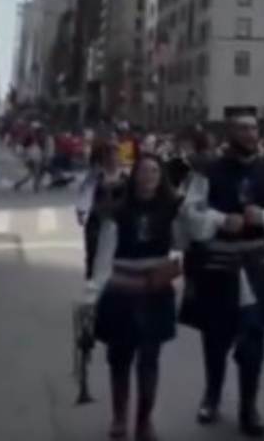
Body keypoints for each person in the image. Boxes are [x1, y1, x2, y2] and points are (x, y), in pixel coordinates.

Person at [179, 114, 264, 437]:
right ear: (230, 132)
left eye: (253, 127)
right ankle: (212, 395)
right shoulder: (207, 169)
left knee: (253, 340)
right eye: (242, 128)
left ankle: (249, 407)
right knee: (215, 338)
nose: (249, 133)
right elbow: (190, 210)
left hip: (256, 265)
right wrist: (218, 220)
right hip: (218, 264)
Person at [89, 155, 184, 441]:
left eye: (155, 170)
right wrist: (92, 294)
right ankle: (119, 417)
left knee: (150, 358)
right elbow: (104, 256)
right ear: (135, 176)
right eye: (144, 170)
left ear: (161, 176)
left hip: (155, 292)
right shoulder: (119, 211)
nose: (150, 175)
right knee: (120, 357)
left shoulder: (172, 209)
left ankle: (144, 421)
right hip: (122, 292)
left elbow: (183, 242)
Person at [79, 140, 121, 281]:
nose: (112, 159)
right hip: (97, 218)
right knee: (93, 250)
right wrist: (82, 211)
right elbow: (86, 193)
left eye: (115, 155)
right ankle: (92, 280)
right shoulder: (96, 175)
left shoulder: (125, 177)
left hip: (119, 220)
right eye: (108, 156)